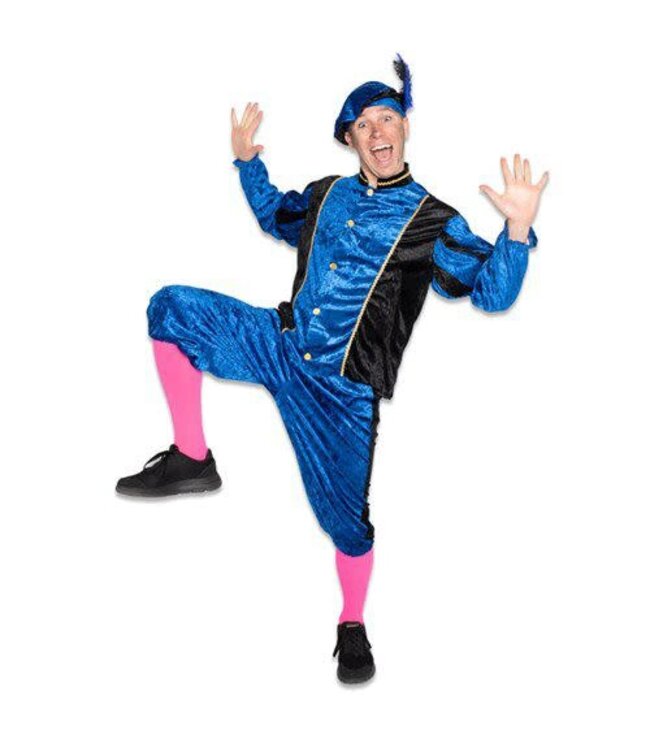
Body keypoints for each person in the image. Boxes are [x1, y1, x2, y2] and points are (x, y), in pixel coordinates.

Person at [116, 54, 548, 685]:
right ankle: (192, 457)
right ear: (349, 139)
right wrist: (247, 163)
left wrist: (516, 232)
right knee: (171, 309)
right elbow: (275, 215)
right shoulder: (327, 194)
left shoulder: (432, 221)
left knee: (346, 524)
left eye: (387, 118)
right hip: (280, 343)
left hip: (341, 393)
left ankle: (351, 622)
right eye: (363, 124)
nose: (378, 132)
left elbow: (491, 294)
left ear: (405, 127)